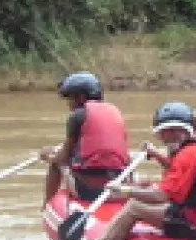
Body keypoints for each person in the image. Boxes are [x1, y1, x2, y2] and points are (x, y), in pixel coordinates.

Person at [93, 102, 196, 240]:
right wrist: (156, 155)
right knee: (146, 187)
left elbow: (161, 196)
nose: (167, 137)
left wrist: (124, 191)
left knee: (134, 207)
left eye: (172, 132)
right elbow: (181, 171)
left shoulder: (189, 154)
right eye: (165, 132)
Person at [38, 71, 129, 207]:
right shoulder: (115, 112)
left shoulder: (77, 116)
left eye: (70, 99)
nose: (69, 104)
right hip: (119, 188)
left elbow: (62, 158)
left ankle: (46, 205)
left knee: (55, 165)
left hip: (89, 192)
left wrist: (47, 156)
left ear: (81, 97)